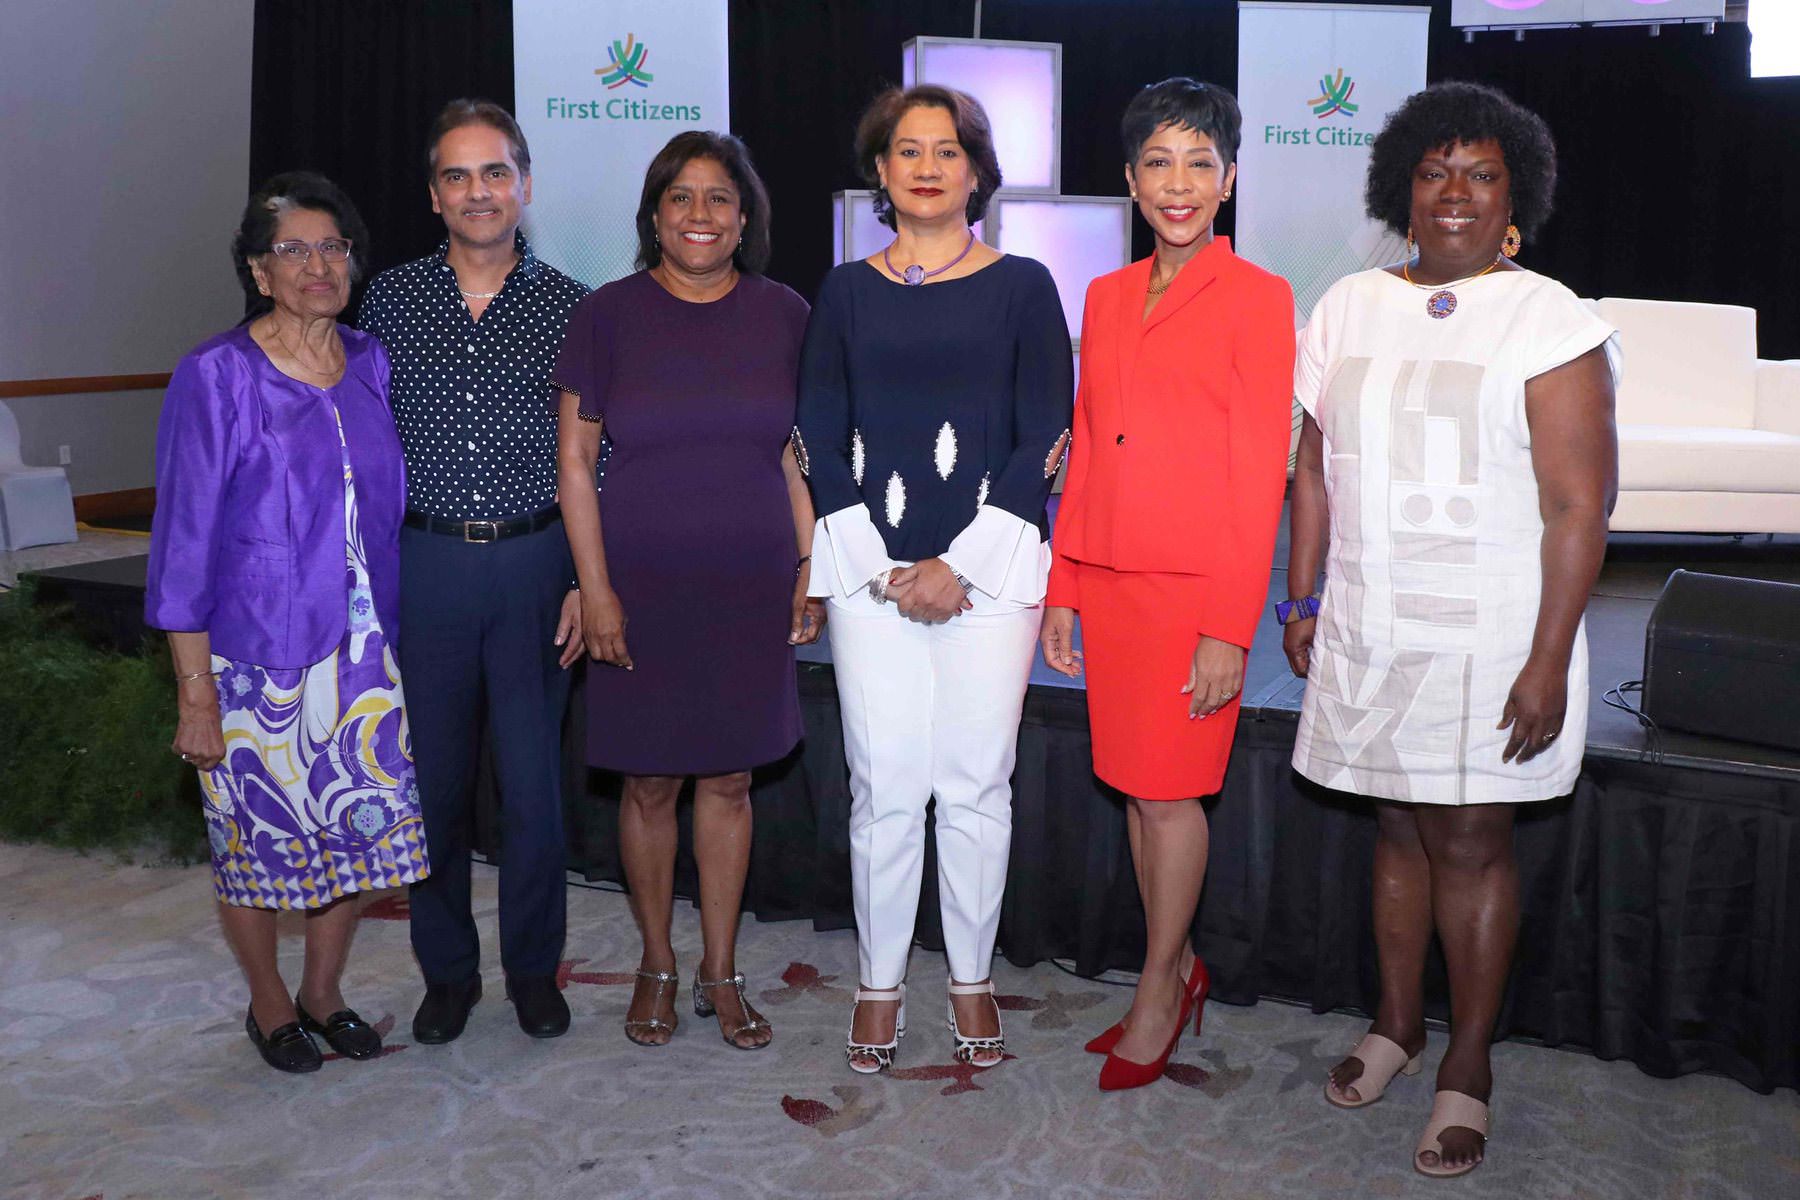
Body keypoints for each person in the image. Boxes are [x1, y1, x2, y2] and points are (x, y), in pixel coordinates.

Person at [1284, 82, 1618, 1178]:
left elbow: (1579, 506)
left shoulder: (1549, 318)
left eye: (1481, 173)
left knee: (1470, 842)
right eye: (1435, 172)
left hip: (1492, 634)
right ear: (1404, 188)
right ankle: (1396, 1024)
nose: (1456, 193)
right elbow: (1314, 469)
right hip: (1371, 620)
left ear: (1516, 193)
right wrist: (1301, 596)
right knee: (1395, 827)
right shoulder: (1346, 306)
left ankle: (1468, 1063)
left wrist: (1549, 659)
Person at [795, 84, 1073, 1074]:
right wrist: (880, 566)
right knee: (883, 787)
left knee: (975, 784)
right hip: (869, 573)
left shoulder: (1025, 286)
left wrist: (961, 565)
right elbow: (815, 430)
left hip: (991, 576)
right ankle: (878, 984)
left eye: (947, 150)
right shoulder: (844, 291)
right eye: (906, 150)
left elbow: (1047, 433)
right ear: (880, 171)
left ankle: (969, 977)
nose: (926, 166)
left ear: (977, 171)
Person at [1039, 78, 1295, 1092]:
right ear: (1132, 180)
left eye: (1199, 163)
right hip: (1110, 583)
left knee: (1171, 795)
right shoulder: (1104, 295)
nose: (1177, 183)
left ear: (1228, 181)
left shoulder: (1260, 297)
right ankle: (1175, 967)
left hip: (1195, 594)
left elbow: (1257, 477)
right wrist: (1065, 581)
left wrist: (1231, 626)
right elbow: (1089, 445)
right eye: (1158, 162)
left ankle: (1159, 987)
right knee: (1140, 795)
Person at [148, 172, 424, 1073]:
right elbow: (184, 544)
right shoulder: (217, 374)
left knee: (356, 835)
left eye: (333, 247)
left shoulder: (371, 361)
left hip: (365, 656)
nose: (318, 265)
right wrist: (196, 694)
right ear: (259, 272)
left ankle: (324, 992)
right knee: (256, 846)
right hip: (252, 665)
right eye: (293, 250)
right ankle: (269, 1002)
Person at [550, 131, 821, 1050]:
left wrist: (809, 568)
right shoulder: (606, 315)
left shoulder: (786, 315)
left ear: (744, 220)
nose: (700, 215)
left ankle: (721, 969)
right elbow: (576, 463)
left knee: (732, 779)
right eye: (681, 197)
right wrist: (594, 589)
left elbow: (794, 457)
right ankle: (658, 962)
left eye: (719, 199)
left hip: (749, 584)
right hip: (640, 584)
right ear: (655, 216)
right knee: (650, 783)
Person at [358, 100, 589, 1044]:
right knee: (435, 791)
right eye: (457, 176)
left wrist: (587, 578)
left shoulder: (574, 307)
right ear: (434, 195)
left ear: (524, 185)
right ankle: (448, 973)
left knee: (534, 794)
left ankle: (533, 970)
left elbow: (599, 459)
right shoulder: (387, 301)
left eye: (495, 172)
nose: (478, 191)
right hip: (427, 568)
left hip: (539, 567)